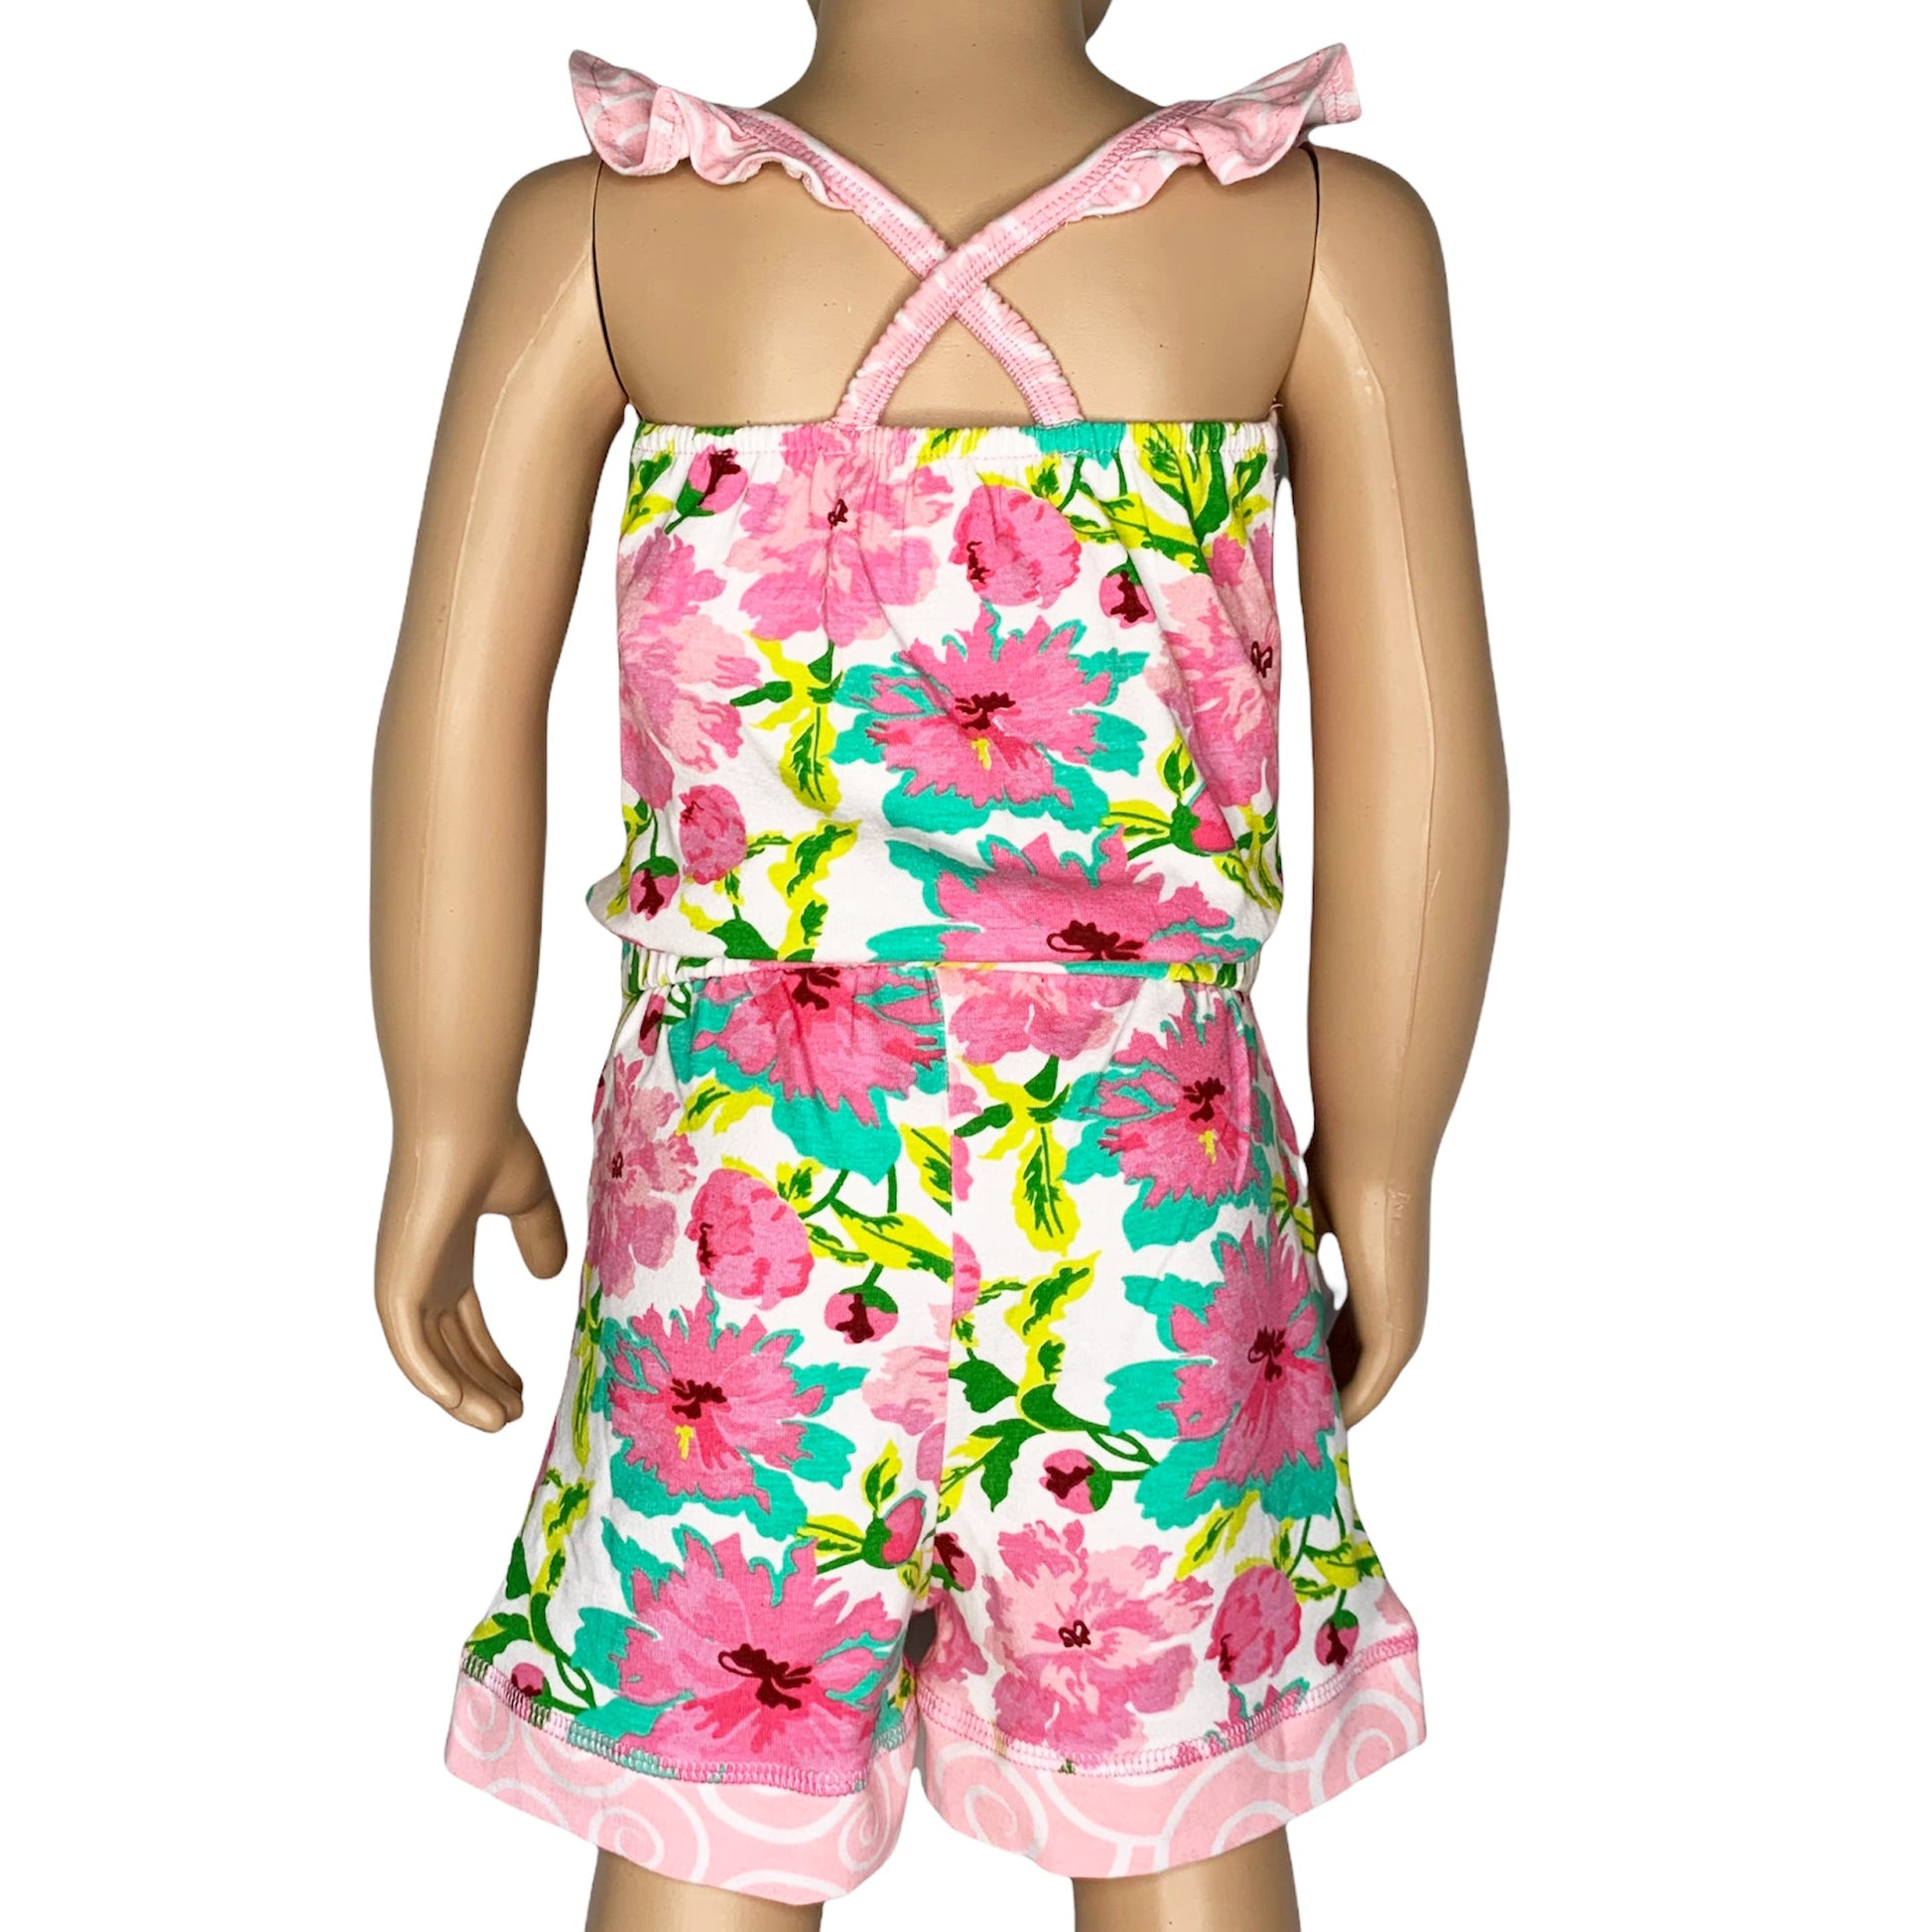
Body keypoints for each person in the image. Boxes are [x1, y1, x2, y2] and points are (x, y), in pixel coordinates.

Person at [371, 4, 1506, 1927]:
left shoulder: (605, 227)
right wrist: (1385, 1156)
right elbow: (1427, 747)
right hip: (1146, 1168)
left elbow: (451, 714)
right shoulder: (1313, 227)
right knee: (1176, 1812)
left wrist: (440, 1103)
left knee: (706, 1801)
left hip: (745, 1179)